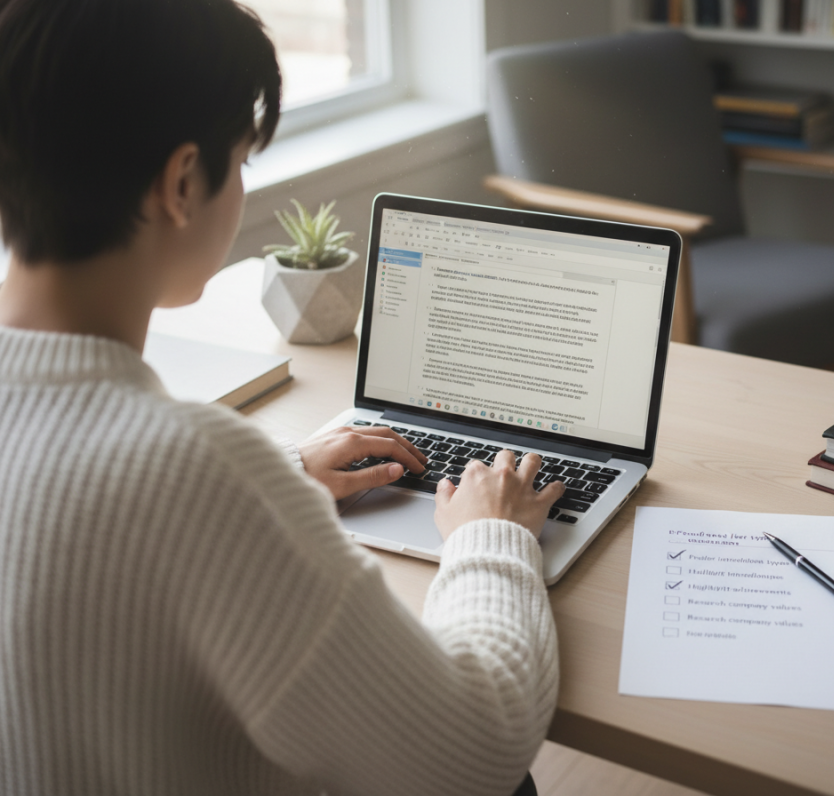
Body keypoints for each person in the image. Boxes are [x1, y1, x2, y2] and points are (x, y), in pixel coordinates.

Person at [0, 1, 565, 794]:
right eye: (241, 163)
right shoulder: (195, 472)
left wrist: (281, 480)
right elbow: (475, 751)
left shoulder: (193, 473)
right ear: (182, 183)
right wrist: (491, 536)